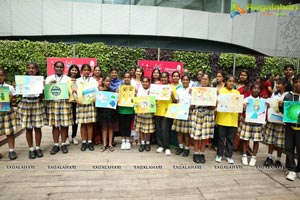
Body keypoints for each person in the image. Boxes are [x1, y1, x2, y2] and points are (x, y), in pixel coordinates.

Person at [16, 62, 45, 159]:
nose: (31, 70)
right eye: (29, 68)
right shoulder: (22, 80)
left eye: (33, 68)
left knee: (37, 128)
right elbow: (20, 94)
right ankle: (31, 149)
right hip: (25, 104)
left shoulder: (40, 80)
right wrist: (18, 86)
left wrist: (42, 87)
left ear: (36, 70)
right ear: (26, 70)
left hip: (36, 103)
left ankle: (38, 148)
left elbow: (42, 96)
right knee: (28, 128)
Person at [45, 61, 72, 155]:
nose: (59, 68)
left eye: (61, 67)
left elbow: (71, 92)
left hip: (65, 103)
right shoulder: (49, 78)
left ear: (64, 69)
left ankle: (63, 144)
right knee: (55, 125)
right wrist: (49, 85)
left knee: (64, 125)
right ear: (54, 68)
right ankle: (56, 144)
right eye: (57, 67)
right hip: (53, 103)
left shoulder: (68, 79)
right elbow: (45, 92)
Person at [279, 74, 300, 181]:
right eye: (296, 82)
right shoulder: (288, 96)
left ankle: (298, 169)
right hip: (290, 127)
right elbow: (284, 112)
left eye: (299, 82)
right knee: (289, 148)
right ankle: (291, 169)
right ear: (293, 83)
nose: (298, 84)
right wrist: (281, 106)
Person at [264, 77, 288, 167]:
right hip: (272, 120)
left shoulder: (288, 95)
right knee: (271, 139)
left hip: (282, 122)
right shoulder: (274, 94)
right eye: (276, 83)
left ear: (285, 85)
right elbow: (271, 104)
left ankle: (278, 159)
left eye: (279, 83)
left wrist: (284, 104)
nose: (277, 85)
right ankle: (269, 157)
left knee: (280, 141)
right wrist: (268, 104)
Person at [215, 75, 239, 164]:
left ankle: (229, 156)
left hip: (233, 120)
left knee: (230, 139)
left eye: (233, 81)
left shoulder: (237, 93)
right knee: (221, 139)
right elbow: (216, 103)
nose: (231, 83)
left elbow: (238, 105)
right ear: (225, 82)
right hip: (222, 119)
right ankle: (219, 155)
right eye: (229, 81)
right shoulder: (220, 92)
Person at [191, 74, 215, 163]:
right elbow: (192, 105)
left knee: (204, 136)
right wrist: (193, 96)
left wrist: (215, 98)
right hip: (197, 111)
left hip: (208, 112)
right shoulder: (196, 90)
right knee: (197, 135)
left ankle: (202, 153)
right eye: (203, 79)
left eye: (206, 79)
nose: (204, 80)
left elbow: (213, 107)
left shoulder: (212, 91)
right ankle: (196, 153)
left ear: (209, 80)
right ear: (201, 80)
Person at [240, 82, 264, 167]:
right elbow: (242, 111)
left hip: (258, 123)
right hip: (248, 122)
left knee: (256, 140)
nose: (256, 90)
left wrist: (266, 106)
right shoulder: (246, 99)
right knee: (245, 139)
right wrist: (244, 107)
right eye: (254, 88)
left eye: (258, 88)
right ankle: (244, 155)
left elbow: (264, 112)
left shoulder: (262, 101)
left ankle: (254, 157)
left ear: (260, 90)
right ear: (251, 89)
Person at [76, 64, 97, 151]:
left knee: (89, 124)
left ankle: (90, 141)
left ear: (90, 71)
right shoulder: (78, 81)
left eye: (88, 70)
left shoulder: (93, 81)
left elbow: (96, 91)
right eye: (84, 70)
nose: (86, 71)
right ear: (82, 71)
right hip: (80, 103)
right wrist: (76, 98)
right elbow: (74, 91)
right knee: (83, 124)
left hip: (90, 103)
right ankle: (84, 142)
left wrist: (94, 98)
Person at [155, 72, 177, 156]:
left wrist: (172, 96)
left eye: (165, 77)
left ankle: (167, 147)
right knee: (159, 129)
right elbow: (153, 98)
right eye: (162, 77)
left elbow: (176, 101)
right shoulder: (157, 88)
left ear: (168, 78)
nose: (163, 79)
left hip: (168, 112)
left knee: (165, 130)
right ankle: (160, 145)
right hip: (157, 111)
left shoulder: (172, 88)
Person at [172, 75, 192, 157]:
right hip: (179, 112)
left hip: (188, 112)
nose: (185, 81)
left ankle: (187, 148)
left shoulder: (192, 90)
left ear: (189, 81)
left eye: (187, 79)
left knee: (186, 133)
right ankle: (180, 147)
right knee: (179, 132)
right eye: (183, 79)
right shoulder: (179, 91)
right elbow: (176, 101)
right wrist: (172, 96)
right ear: (181, 81)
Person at [0, 67, 17, 160]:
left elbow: (14, 101)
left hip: (7, 112)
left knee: (9, 132)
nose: (0, 77)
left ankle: (11, 151)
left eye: (1, 75)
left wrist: (11, 99)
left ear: (5, 76)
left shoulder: (10, 87)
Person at [135, 76, 155, 152]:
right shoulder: (139, 90)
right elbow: (136, 101)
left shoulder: (152, 91)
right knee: (141, 129)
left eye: (146, 82)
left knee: (148, 129)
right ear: (141, 82)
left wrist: (151, 95)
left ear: (149, 83)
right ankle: (142, 143)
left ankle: (148, 143)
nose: (145, 83)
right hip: (140, 112)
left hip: (148, 113)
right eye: (143, 82)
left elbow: (153, 102)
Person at [97, 76, 116, 152]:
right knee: (104, 127)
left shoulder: (113, 91)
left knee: (111, 127)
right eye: (106, 81)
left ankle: (110, 144)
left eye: (109, 81)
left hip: (111, 112)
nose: (108, 82)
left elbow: (114, 102)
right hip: (103, 111)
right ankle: (104, 144)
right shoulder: (100, 91)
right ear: (103, 82)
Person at [119, 72, 135, 150]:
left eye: (128, 77)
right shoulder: (120, 88)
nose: (126, 79)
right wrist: (117, 93)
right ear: (123, 78)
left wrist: (135, 94)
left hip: (130, 109)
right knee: (122, 126)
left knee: (128, 126)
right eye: (125, 77)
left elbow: (135, 99)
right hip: (121, 109)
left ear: (130, 78)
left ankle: (127, 141)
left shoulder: (133, 88)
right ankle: (123, 141)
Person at [67, 64, 80, 145]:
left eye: (75, 70)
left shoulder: (80, 80)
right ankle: (66, 137)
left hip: (77, 103)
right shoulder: (66, 80)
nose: (74, 71)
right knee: (67, 120)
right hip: (67, 102)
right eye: (72, 70)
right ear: (69, 71)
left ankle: (74, 136)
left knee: (75, 120)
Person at [92, 65, 103, 145]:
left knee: (100, 121)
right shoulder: (90, 80)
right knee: (94, 121)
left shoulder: (103, 80)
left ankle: (101, 138)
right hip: (92, 102)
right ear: (93, 71)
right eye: (96, 70)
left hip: (102, 102)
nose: (97, 71)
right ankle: (93, 138)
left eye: (99, 70)